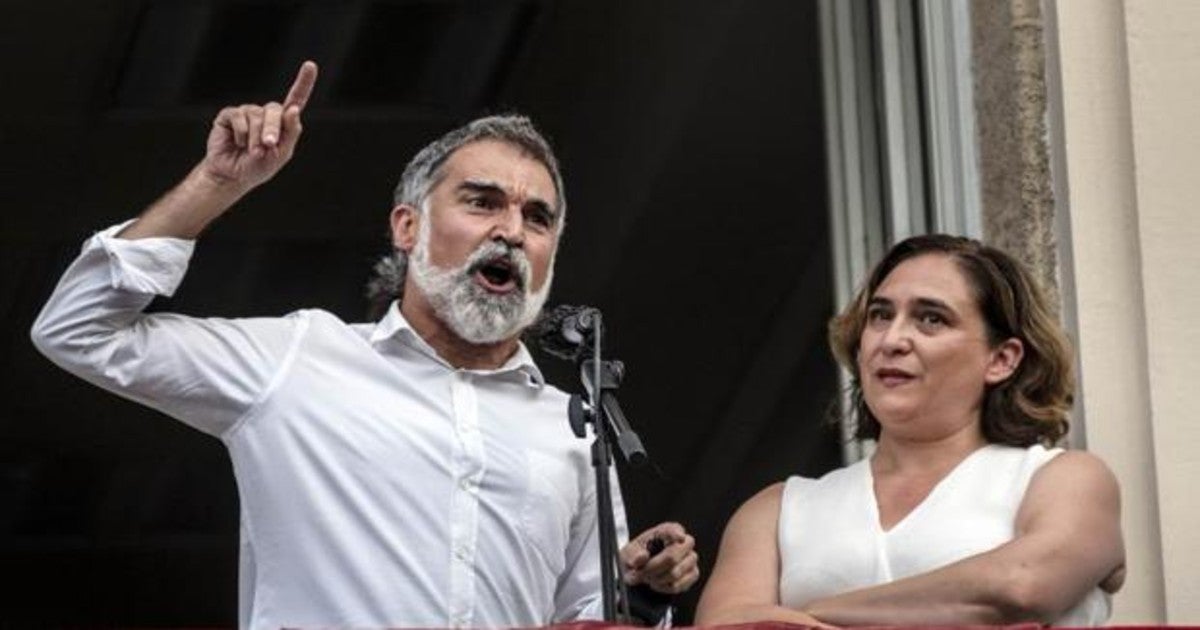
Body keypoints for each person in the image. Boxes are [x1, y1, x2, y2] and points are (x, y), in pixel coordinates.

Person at [31, 61, 699, 630]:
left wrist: (642, 594)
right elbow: (78, 330)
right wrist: (219, 183)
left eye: (537, 217)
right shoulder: (300, 361)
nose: (512, 232)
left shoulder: (573, 428)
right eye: (482, 202)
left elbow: (589, 617)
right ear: (407, 227)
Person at [695, 234, 1125, 626]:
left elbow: (1021, 585)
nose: (892, 339)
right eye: (880, 316)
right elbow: (727, 625)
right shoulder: (777, 510)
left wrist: (809, 616)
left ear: (1002, 359)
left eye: (931, 319)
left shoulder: (1063, 479)